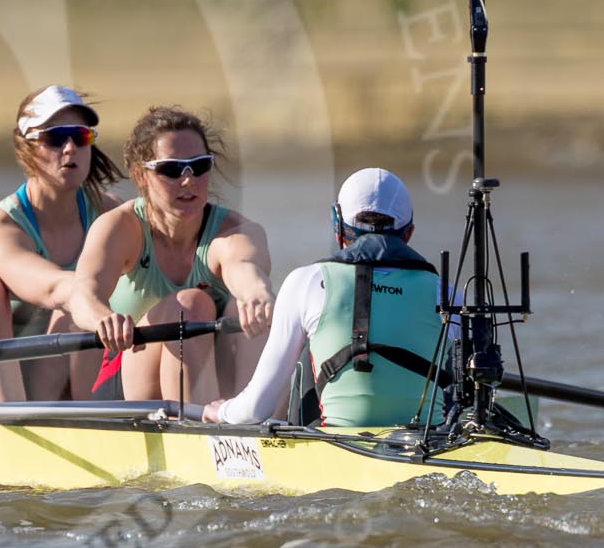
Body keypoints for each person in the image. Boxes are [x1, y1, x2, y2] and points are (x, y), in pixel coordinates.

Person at [203, 168, 446, 427]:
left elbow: (254, 410)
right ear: (408, 233)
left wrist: (221, 411)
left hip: (336, 448)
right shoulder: (447, 292)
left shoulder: (305, 282)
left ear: (337, 225)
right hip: (429, 446)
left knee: (307, 358)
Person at [66, 106, 274, 403]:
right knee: (190, 305)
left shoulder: (237, 232)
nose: (188, 181)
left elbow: (244, 268)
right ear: (141, 174)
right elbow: (82, 295)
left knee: (242, 308)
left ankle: (249, 428)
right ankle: (203, 433)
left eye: (199, 166)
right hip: (129, 380)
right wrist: (104, 319)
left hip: (213, 383)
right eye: (171, 170)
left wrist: (257, 293)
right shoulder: (119, 228)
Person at [0, 85, 121, 403]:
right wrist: (101, 313)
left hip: (38, 375)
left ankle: (95, 423)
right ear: (26, 148)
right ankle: (11, 425)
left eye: (81, 136)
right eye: (56, 138)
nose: (71, 148)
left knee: (76, 315)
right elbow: (54, 289)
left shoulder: (109, 214)